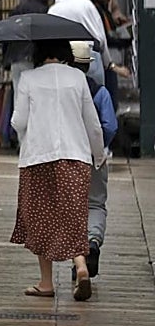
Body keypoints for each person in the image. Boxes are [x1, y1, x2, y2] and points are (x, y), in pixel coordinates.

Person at [10, 40, 105, 301]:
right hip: (75, 157)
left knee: (41, 219)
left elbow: (19, 122)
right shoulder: (78, 78)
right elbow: (93, 124)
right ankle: (81, 266)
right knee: (72, 215)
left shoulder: (28, 78)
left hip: (37, 158)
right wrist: (99, 156)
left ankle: (46, 282)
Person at [70, 40, 117, 282]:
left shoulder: (65, 91)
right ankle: (93, 241)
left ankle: (77, 259)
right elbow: (110, 125)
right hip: (95, 155)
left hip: (69, 155)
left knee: (73, 206)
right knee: (96, 205)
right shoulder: (99, 91)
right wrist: (100, 145)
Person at [49, 0, 120, 87]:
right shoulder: (86, 5)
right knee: (95, 96)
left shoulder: (53, 10)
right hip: (89, 54)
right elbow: (100, 37)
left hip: (64, 59)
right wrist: (108, 62)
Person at [5, 0, 54, 89]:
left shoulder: (18, 8)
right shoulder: (43, 11)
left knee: (18, 95)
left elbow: (8, 33)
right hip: (32, 57)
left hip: (15, 57)